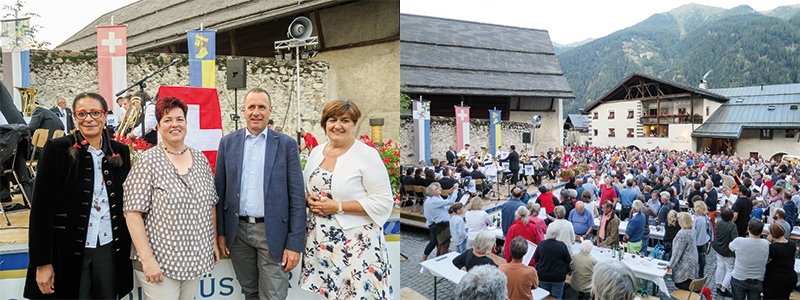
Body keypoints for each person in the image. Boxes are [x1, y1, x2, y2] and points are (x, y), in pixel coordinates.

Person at [24, 92, 133, 299]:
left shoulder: (120, 151)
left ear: (104, 115)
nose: (89, 119)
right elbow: (41, 209)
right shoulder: (58, 149)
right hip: (68, 249)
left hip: (108, 246)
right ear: (75, 117)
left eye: (95, 113)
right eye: (82, 114)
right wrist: (42, 262)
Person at [123, 96, 219, 299]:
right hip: (160, 261)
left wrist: (212, 243)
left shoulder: (200, 159)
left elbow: (210, 203)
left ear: (186, 123)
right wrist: (147, 260)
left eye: (179, 119)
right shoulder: (148, 162)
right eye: (167, 120)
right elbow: (132, 213)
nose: (174, 124)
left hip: (194, 257)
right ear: (158, 126)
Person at [215, 88, 306, 300]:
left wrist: (294, 244)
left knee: (273, 296)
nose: (256, 112)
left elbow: (297, 199)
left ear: (270, 110)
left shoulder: (287, 145)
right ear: (244, 111)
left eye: (262, 107)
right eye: (252, 107)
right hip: (238, 234)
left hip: (272, 232)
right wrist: (220, 233)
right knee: (250, 293)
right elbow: (219, 191)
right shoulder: (227, 143)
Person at [300, 99, 394, 299]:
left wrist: (339, 206)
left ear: (354, 124)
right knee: (331, 292)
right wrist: (308, 199)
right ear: (324, 123)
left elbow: (383, 201)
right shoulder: (317, 152)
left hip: (355, 242)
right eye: (332, 120)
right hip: (322, 238)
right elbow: (307, 188)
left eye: (345, 120)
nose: (338, 126)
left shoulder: (367, 155)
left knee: (356, 294)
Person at [668, 212, 712, 300]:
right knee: (690, 281)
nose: (678, 220)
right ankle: (701, 289)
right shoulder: (692, 231)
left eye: (679, 219)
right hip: (692, 261)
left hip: (684, 265)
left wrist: (670, 265)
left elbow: (677, 252)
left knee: (680, 283)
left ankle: (702, 290)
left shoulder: (682, 234)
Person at [729, 219, 769, 300]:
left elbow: (730, 247)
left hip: (739, 277)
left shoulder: (739, 241)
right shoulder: (766, 244)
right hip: (757, 279)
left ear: (748, 229)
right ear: (761, 231)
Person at [534, 221, 572, 300]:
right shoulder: (561, 245)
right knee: (557, 296)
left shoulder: (541, 244)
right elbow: (568, 259)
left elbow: (536, 258)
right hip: (558, 276)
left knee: (544, 296)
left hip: (543, 275)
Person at [422, 182, 459, 261]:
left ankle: (438, 258)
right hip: (441, 224)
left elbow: (445, 207)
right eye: (438, 188)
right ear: (433, 192)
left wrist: (450, 194)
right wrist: (455, 190)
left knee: (440, 244)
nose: (440, 189)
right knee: (443, 244)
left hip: (441, 223)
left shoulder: (437, 198)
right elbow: (451, 201)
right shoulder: (433, 200)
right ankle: (440, 260)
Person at [763, 223, 798, 300]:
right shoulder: (791, 244)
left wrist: (767, 242)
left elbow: (765, 261)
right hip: (789, 277)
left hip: (774, 279)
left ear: (772, 234)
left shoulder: (773, 247)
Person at [711, 208, 737, 297]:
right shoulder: (732, 226)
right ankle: (723, 288)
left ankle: (718, 284)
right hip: (728, 251)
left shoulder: (718, 222)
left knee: (720, 266)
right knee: (730, 270)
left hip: (718, 248)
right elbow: (735, 240)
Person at [693, 201, 712, 278]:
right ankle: (701, 273)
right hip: (704, 240)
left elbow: (695, 231)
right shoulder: (705, 217)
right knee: (701, 258)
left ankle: (696, 274)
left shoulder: (699, 219)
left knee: (696, 258)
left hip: (698, 241)